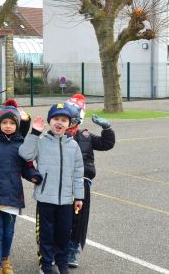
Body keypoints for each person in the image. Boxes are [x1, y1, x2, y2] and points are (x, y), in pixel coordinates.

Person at [0, 103, 43, 274]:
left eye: (12, 123)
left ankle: (5, 260)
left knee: (8, 232)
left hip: (13, 196)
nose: (8, 126)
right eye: (5, 123)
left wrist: (33, 175)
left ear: (17, 125)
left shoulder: (21, 145)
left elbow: (26, 167)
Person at [18, 103, 85, 274]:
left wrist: (79, 197)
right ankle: (46, 265)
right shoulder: (41, 142)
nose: (59, 123)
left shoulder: (73, 145)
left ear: (69, 123)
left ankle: (62, 263)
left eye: (64, 120)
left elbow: (78, 173)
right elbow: (25, 154)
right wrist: (34, 133)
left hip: (66, 201)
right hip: (45, 198)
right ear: (50, 121)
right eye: (56, 119)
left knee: (63, 233)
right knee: (46, 234)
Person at [64, 95, 115, 268]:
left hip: (82, 182)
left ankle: (73, 249)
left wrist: (107, 128)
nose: (67, 121)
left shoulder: (86, 136)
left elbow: (106, 144)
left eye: (71, 117)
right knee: (61, 217)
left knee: (78, 218)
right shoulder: (56, 135)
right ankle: (57, 249)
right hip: (61, 182)